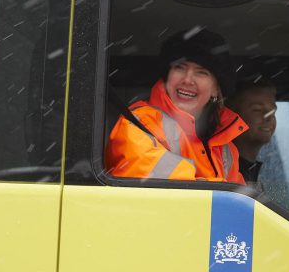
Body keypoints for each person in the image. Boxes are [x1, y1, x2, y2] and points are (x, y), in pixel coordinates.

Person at [105, 29, 248, 184]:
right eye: (180, 67)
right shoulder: (137, 122)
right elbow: (153, 185)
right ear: (167, 77)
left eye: (201, 73)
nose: (187, 79)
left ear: (216, 90)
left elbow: (239, 201)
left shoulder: (226, 148)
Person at [226, 80, 277, 188]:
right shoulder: (222, 169)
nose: (269, 117)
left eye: (273, 111)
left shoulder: (252, 172)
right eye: (257, 110)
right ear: (232, 115)